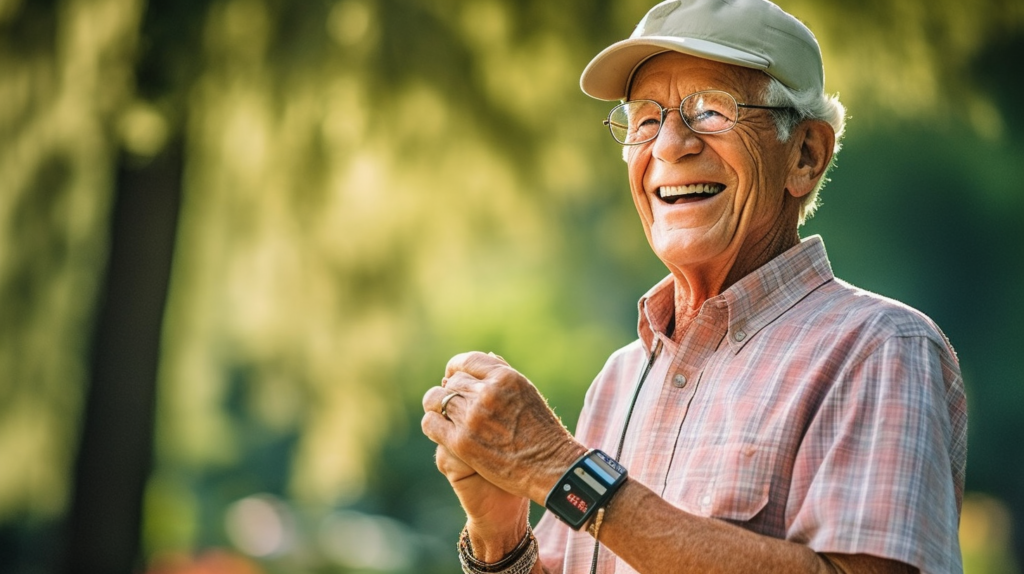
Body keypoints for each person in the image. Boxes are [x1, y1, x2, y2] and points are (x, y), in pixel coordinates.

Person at [421, 0, 968, 572]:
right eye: (646, 120)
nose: (668, 146)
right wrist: (500, 534)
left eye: (710, 110)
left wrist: (559, 468)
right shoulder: (618, 378)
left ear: (805, 155)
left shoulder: (879, 349)